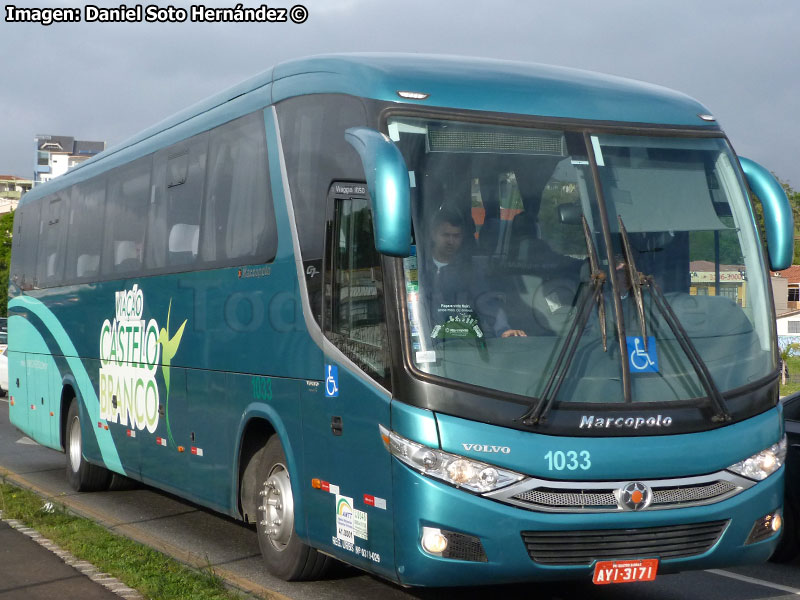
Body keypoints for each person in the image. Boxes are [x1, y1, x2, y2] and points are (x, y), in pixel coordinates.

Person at [419, 209, 526, 339]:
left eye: (456, 236)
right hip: (423, 342)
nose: (451, 241)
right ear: (433, 234)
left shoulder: (470, 270)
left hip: (461, 341)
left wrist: (503, 330)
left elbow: (486, 302)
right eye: (446, 235)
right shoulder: (417, 266)